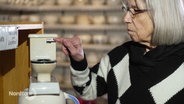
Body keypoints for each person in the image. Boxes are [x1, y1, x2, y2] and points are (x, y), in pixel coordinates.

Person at [54, 0, 184, 103]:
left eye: (136, 10)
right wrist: (78, 59)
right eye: (127, 9)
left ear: (164, 14)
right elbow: (87, 90)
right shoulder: (120, 56)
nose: (126, 18)